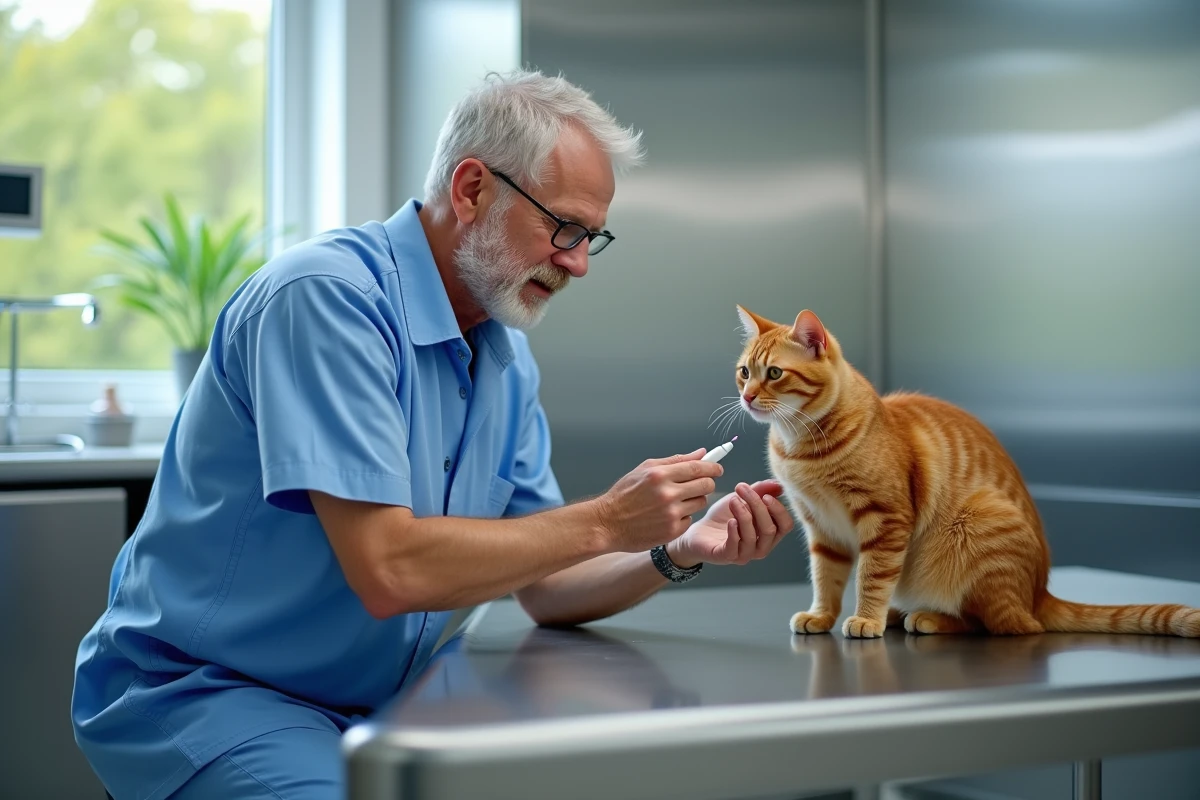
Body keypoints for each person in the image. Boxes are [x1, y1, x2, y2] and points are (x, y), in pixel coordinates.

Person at [72, 69, 793, 800]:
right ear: (472, 188)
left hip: (388, 704)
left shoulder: (503, 356)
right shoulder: (327, 301)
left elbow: (544, 581)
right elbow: (391, 569)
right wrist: (607, 517)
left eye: (591, 238)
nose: (577, 261)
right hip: (215, 698)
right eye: (564, 228)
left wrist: (672, 551)